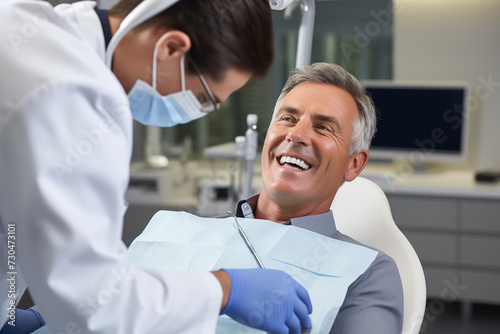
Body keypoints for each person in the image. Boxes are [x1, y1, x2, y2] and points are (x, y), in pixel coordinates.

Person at [0, 0, 312, 333]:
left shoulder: (29, 25)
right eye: (205, 99)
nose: (201, 113)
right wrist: (225, 290)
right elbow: (100, 307)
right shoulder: (75, 99)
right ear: (170, 48)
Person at [233, 62, 404, 333]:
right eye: (288, 118)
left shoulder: (368, 273)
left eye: (324, 127)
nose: (296, 135)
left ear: (354, 164)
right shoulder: (192, 232)